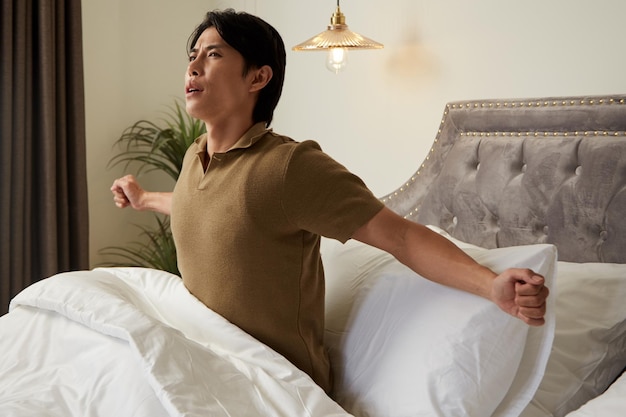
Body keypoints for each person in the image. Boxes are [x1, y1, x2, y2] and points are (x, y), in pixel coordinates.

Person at [111, 9, 549, 394]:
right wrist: (145, 198)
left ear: (257, 77)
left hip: (272, 384)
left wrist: (489, 286)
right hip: (201, 360)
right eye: (192, 56)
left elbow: (400, 236)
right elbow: (203, 209)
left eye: (213, 54)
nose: (193, 67)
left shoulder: (290, 167)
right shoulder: (195, 158)